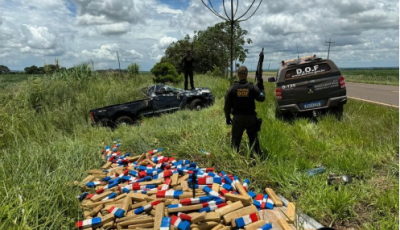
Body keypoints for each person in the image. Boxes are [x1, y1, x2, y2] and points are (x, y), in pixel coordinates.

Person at [224, 66, 265, 156]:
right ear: (246, 74)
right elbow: (262, 98)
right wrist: (261, 89)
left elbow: (227, 105)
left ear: (238, 74)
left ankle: (234, 159)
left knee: (235, 141)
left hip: (237, 118)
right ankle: (255, 159)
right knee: (253, 140)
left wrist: (227, 117)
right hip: (251, 118)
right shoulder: (252, 87)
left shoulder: (232, 88)